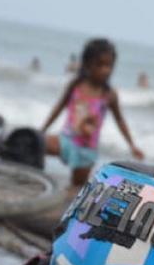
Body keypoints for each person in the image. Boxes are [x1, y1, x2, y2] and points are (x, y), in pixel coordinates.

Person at [40, 38, 145, 189]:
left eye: (109, 66)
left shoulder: (108, 94)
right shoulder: (76, 85)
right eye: (100, 65)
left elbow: (120, 120)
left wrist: (132, 146)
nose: (105, 70)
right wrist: (42, 130)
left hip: (86, 151)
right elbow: (58, 107)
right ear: (88, 64)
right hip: (66, 141)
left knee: (76, 188)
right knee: (37, 143)